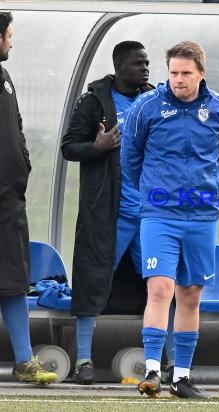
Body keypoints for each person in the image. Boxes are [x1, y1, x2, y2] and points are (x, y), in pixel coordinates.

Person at [122, 40, 219, 399]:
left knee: (190, 295)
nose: (178, 80)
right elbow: (131, 156)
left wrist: (203, 190)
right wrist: (156, 192)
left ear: (201, 74)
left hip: (202, 216)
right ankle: (153, 371)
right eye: (173, 73)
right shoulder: (148, 106)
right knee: (160, 288)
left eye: (186, 73)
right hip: (159, 214)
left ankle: (182, 377)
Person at [61, 41, 153, 384]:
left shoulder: (156, 100)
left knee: (163, 284)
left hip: (149, 214)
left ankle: (170, 362)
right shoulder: (95, 101)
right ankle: (84, 361)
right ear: (118, 67)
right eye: (137, 63)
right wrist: (97, 147)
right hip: (108, 214)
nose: (145, 68)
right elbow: (69, 146)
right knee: (91, 282)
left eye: (146, 62)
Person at [0, 11, 58, 384]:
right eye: (9, 35)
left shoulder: (5, 77)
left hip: (8, 200)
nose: (11, 41)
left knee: (13, 279)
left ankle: (24, 360)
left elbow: (16, 126)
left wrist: (22, 161)